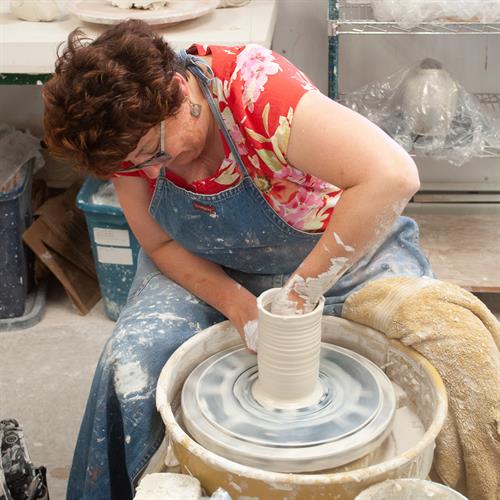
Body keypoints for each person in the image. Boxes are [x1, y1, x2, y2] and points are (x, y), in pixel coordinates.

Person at [42, 20, 432, 500]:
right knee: (133, 359)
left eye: (152, 153)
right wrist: (236, 304)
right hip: (204, 262)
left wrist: (299, 295)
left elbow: (393, 176)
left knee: (430, 349)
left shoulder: (258, 90)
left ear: (177, 91)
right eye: (131, 166)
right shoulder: (126, 143)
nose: (147, 172)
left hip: (333, 252)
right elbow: (160, 246)